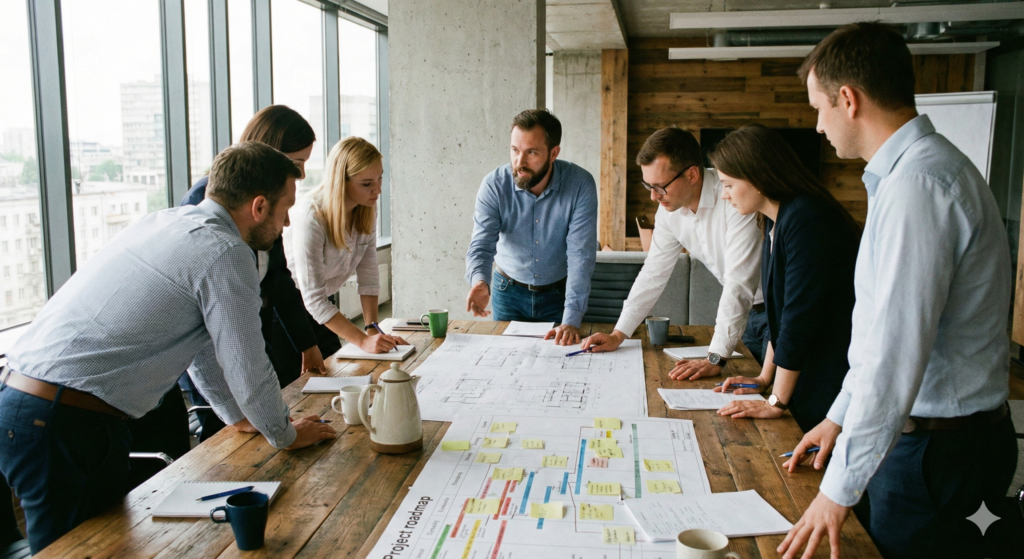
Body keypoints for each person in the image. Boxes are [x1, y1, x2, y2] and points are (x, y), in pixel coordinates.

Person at [0, 142, 336, 553]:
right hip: (64, 423)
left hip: (32, 405)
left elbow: (202, 352)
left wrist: (239, 416)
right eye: (286, 208)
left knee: (106, 548)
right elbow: (248, 364)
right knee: (79, 552)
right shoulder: (226, 252)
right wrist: (284, 434)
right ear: (259, 206)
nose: (286, 223)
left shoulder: (166, 223)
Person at [778, 23, 1017, 559]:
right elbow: (875, 335)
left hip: (940, 452)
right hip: (933, 442)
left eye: (819, 108)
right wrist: (839, 415)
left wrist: (838, 490)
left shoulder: (919, 187)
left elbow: (895, 352)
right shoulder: (911, 175)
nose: (818, 126)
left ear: (849, 99)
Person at [706, 124, 859, 433]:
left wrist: (776, 400)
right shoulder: (778, 220)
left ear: (758, 178)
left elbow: (799, 319)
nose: (724, 195)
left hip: (830, 379)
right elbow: (780, 316)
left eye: (728, 184)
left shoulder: (806, 218)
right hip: (807, 376)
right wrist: (765, 379)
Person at [581, 127, 766, 378]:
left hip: (775, 314)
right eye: (648, 185)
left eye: (660, 186)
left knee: (784, 405)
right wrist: (618, 334)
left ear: (691, 174)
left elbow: (738, 283)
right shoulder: (669, 212)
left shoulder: (734, 198)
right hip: (741, 319)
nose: (653, 196)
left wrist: (715, 358)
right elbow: (652, 274)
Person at [465, 109, 598, 345]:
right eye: (514, 150)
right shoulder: (494, 185)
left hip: (559, 294)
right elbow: (482, 245)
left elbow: (580, 256)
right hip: (508, 292)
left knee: (559, 367)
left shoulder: (580, 185)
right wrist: (479, 281)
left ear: (554, 153)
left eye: (532, 152)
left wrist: (571, 319)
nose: (520, 162)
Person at [284, 136, 406, 353]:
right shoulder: (311, 216)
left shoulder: (366, 207)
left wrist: (372, 329)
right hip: (290, 309)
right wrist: (363, 342)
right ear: (341, 181)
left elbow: (368, 275)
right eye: (367, 184)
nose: (377, 190)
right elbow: (312, 299)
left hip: (323, 304)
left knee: (334, 366)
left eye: (380, 179)